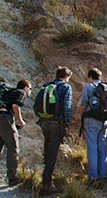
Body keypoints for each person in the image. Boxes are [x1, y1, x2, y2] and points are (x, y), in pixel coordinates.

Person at [0, 80, 31, 189]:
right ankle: (13, 178)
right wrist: (20, 121)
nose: (29, 92)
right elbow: (15, 106)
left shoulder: (9, 92)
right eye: (30, 89)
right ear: (26, 88)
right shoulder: (21, 92)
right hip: (4, 116)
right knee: (13, 147)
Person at [39, 67, 73, 195]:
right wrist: (66, 124)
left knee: (47, 150)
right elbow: (67, 107)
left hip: (44, 122)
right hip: (56, 123)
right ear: (66, 76)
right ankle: (46, 185)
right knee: (53, 152)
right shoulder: (66, 87)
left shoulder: (46, 85)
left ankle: (44, 179)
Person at [79, 68, 107, 188]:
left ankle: (93, 178)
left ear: (90, 76)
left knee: (92, 149)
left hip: (91, 121)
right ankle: (102, 177)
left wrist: (81, 116)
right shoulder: (106, 87)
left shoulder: (89, 86)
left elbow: (84, 104)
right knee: (102, 149)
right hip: (104, 122)